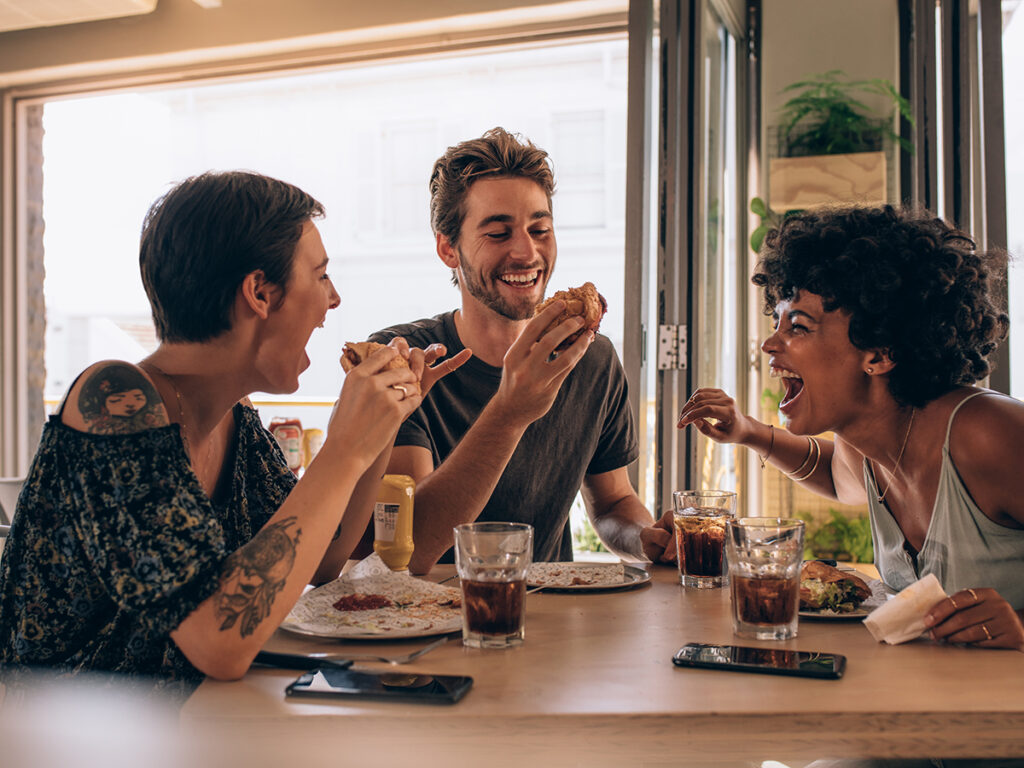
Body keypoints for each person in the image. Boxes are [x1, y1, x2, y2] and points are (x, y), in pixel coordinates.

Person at [0, 171, 463, 695]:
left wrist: (382, 428)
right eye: (321, 276)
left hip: (183, 726)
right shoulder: (112, 401)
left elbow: (326, 556)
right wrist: (343, 445)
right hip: (57, 739)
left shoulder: (235, 419)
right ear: (260, 292)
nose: (333, 300)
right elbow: (219, 638)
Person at [676, 204, 1024, 652]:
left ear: (879, 353)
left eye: (798, 327)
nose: (769, 343)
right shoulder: (867, 446)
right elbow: (836, 476)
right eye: (777, 321)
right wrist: (750, 432)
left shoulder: (989, 434)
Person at [368, 127, 673, 571]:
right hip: (424, 622)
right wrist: (511, 410)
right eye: (498, 233)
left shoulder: (592, 357)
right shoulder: (401, 361)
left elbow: (613, 503)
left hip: (546, 620)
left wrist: (645, 539)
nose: (527, 252)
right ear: (448, 248)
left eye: (540, 229)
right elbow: (408, 548)